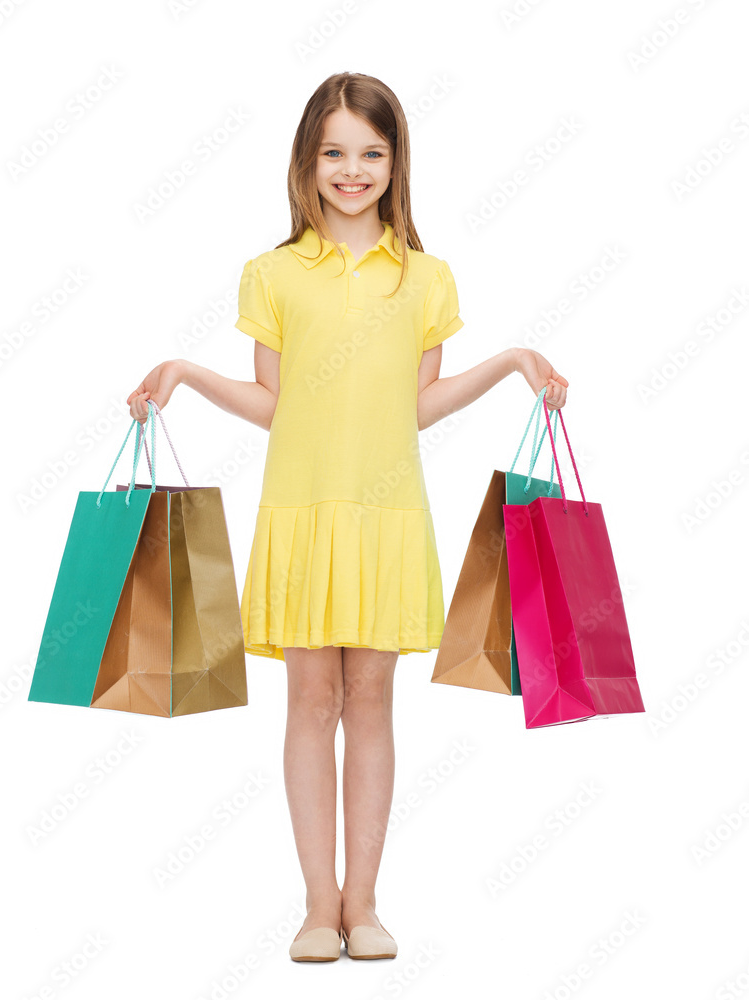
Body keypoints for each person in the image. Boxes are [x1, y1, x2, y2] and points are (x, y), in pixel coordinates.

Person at [127, 72, 568, 963]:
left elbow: (419, 403)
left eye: (370, 151)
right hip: (299, 511)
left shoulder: (425, 277)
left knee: (371, 701)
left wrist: (515, 360)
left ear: (396, 160)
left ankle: (363, 904)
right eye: (334, 151)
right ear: (307, 161)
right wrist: (184, 373)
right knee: (309, 702)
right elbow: (272, 401)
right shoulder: (276, 272)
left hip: (386, 515)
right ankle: (315, 905)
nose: (352, 169)